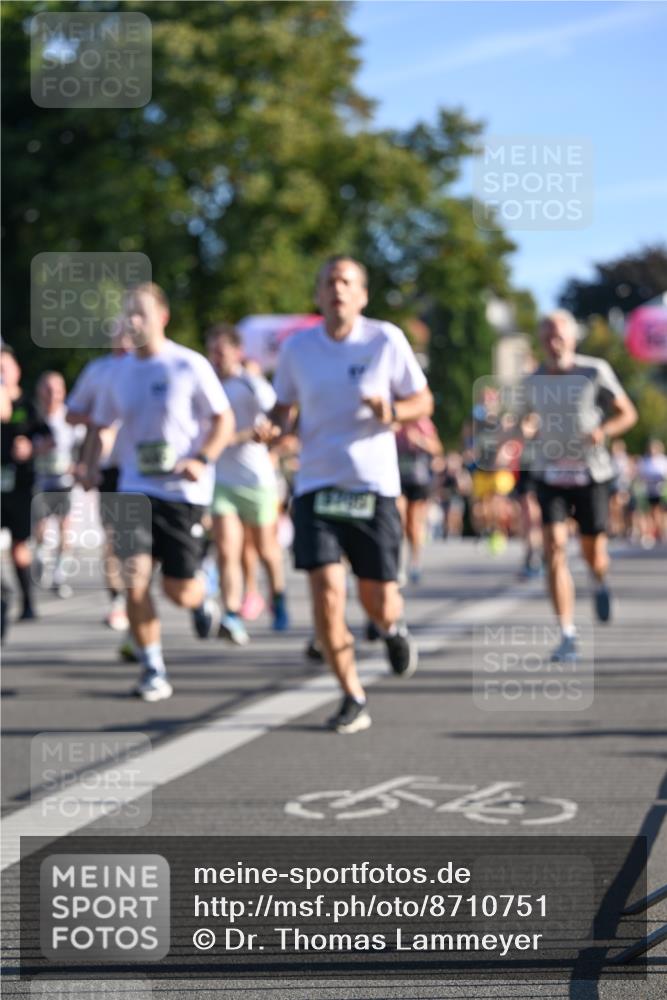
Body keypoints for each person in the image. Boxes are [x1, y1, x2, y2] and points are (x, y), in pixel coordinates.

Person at [272, 256, 433, 733]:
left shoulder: (385, 339)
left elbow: (423, 400)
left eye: (347, 282)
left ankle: (392, 627)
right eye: (328, 282)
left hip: (372, 486)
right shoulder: (298, 348)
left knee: (379, 598)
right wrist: (271, 427)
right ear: (319, 294)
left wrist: (394, 410)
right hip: (316, 485)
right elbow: (284, 409)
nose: (337, 289)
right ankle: (351, 694)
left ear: (361, 295)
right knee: (326, 594)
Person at [88, 283, 234, 701]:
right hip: (135, 488)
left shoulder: (189, 365)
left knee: (178, 591)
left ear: (163, 317)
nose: (134, 321)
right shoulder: (119, 371)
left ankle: (203, 598)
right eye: (128, 313)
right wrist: (89, 465)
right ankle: (153, 667)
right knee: (134, 581)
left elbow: (222, 420)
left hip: (182, 492)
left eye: (142, 313)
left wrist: (202, 459)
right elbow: (102, 426)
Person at [521, 310, 637, 661]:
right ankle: (567, 633)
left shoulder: (594, 371)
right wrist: (524, 429)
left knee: (593, 554)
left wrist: (604, 431)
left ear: (572, 338)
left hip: (591, 474)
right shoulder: (533, 380)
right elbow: (526, 418)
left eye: (559, 335)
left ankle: (600, 580)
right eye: (546, 336)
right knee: (554, 546)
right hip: (550, 471)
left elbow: (627, 414)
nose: (553, 342)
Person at [206, 323, 288, 645]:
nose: (216, 357)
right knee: (228, 551)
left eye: (222, 351)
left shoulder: (253, 384)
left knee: (267, 551)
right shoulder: (207, 385)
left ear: (237, 352)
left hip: (256, 480)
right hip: (221, 481)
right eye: (212, 350)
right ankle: (231, 614)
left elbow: (276, 422)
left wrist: (267, 437)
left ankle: (278, 598)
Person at [67, 323, 133, 629]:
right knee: (113, 535)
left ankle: (139, 598)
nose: (122, 337)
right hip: (109, 464)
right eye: (117, 331)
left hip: (142, 466)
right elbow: (71, 412)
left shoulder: (149, 366)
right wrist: (100, 419)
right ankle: (119, 600)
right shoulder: (98, 370)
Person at [0, 347, 51, 621]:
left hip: (19, 486)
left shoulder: (27, 405)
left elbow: (48, 438)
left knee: (19, 546)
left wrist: (31, 446)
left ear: (16, 370)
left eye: (4, 368)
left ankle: (27, 602)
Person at [32, 372, 85, 598]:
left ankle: (59, 575)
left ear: (63, 392)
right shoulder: (32, 415)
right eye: (47, 389)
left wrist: (78, 465)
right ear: (39, 391)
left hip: (64, 481)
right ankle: (41, 558)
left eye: (57, 390)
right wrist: (36, 449)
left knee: (66, 527)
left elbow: (84, 445)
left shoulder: (69, 418)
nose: (52, 394)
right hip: (39, 481)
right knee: (40, 528)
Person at [395, 417, 443, 584]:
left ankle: (415, 561)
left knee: (413, 525)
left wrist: (419, 440)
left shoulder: (423, 424)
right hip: (397, 479)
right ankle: (398, 564)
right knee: (398, 519)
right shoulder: (394, 421)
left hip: (418, 479)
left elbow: (437, 448)